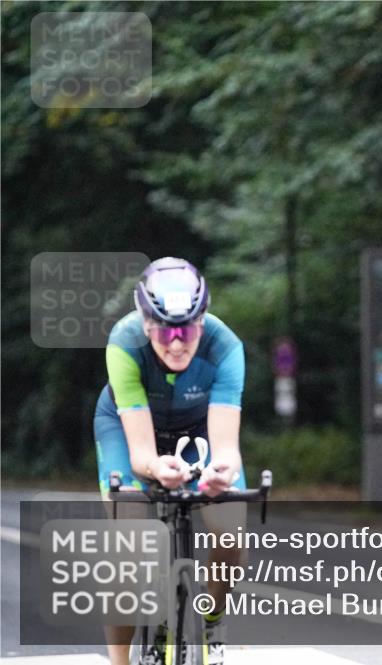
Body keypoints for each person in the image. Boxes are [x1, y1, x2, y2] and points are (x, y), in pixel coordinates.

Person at [94, 257, 246, 665]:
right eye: (164, 330)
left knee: (231, 534)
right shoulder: (124, 342)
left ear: (204, 318)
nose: (176, 342)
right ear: (145, 322)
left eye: (188, 328)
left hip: (199, 431)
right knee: (128, 550)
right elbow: (142, 454)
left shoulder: (226, 345)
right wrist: (157, 468)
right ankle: (119, 661)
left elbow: (226, 447)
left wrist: (220, 474)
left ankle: (211, 620)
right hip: (128, 430)